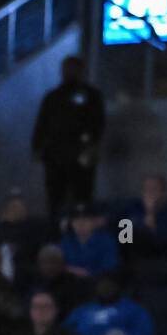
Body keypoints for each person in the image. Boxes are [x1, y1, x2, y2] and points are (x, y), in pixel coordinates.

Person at [31, 56, 105, 219]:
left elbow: (98, 124)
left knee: (82, 196)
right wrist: (37, 148)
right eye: (66, 68)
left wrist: (90, 148)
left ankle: (83, 229)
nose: (69, 72)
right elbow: (42, 124)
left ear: (81, 71)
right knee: (55, 199)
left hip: (81, 154)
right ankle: (56, 231)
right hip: (55, 155)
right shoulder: (52, 97)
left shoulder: (91, 95)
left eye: (73, 68)